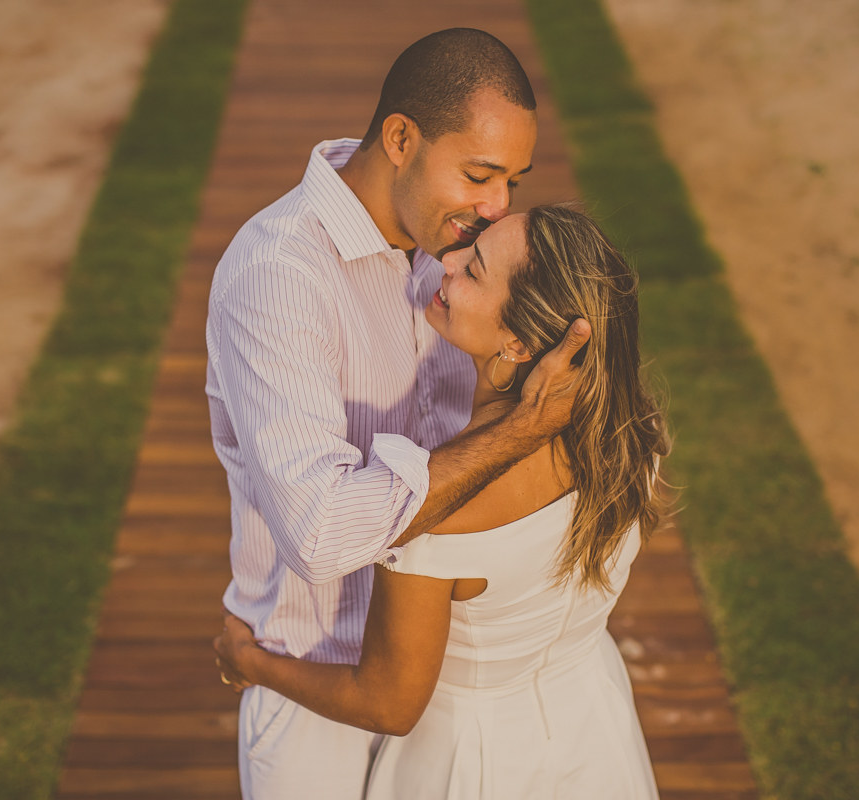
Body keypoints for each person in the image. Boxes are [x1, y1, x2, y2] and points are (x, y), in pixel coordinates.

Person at [204, 29, 591, 799]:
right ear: (402, 138)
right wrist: (515, 433)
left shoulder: (457, 253)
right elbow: (320, 536)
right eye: (480, 174)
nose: (497, 208)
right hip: (320, 681)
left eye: (513, 180)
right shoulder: (278, 275)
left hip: (454, 676)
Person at [215, 204, 670, 799]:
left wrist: (249, 663)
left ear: (519, 341)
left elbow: (388, 705)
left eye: (475, 269)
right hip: (590, 727)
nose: (446, 263)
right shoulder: (631, 440)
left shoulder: (436, 518)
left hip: (470, 766)